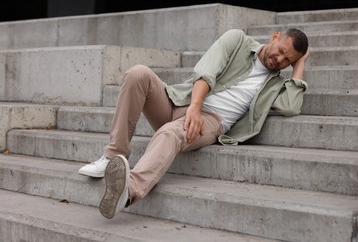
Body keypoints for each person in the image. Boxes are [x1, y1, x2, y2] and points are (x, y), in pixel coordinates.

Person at [78, 28, 310, 219]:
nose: (279, 60)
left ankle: (127, 191)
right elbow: (206, 71)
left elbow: (290, 106)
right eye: (280, 51)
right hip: (183, 100)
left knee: (171, 132)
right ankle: (112, 156)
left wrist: (299, 65)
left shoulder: (276, 82)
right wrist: (195, 107)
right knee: (138, 73)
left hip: (211, 121)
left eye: (287, 60)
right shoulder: (238, 40)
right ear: (274, 37)